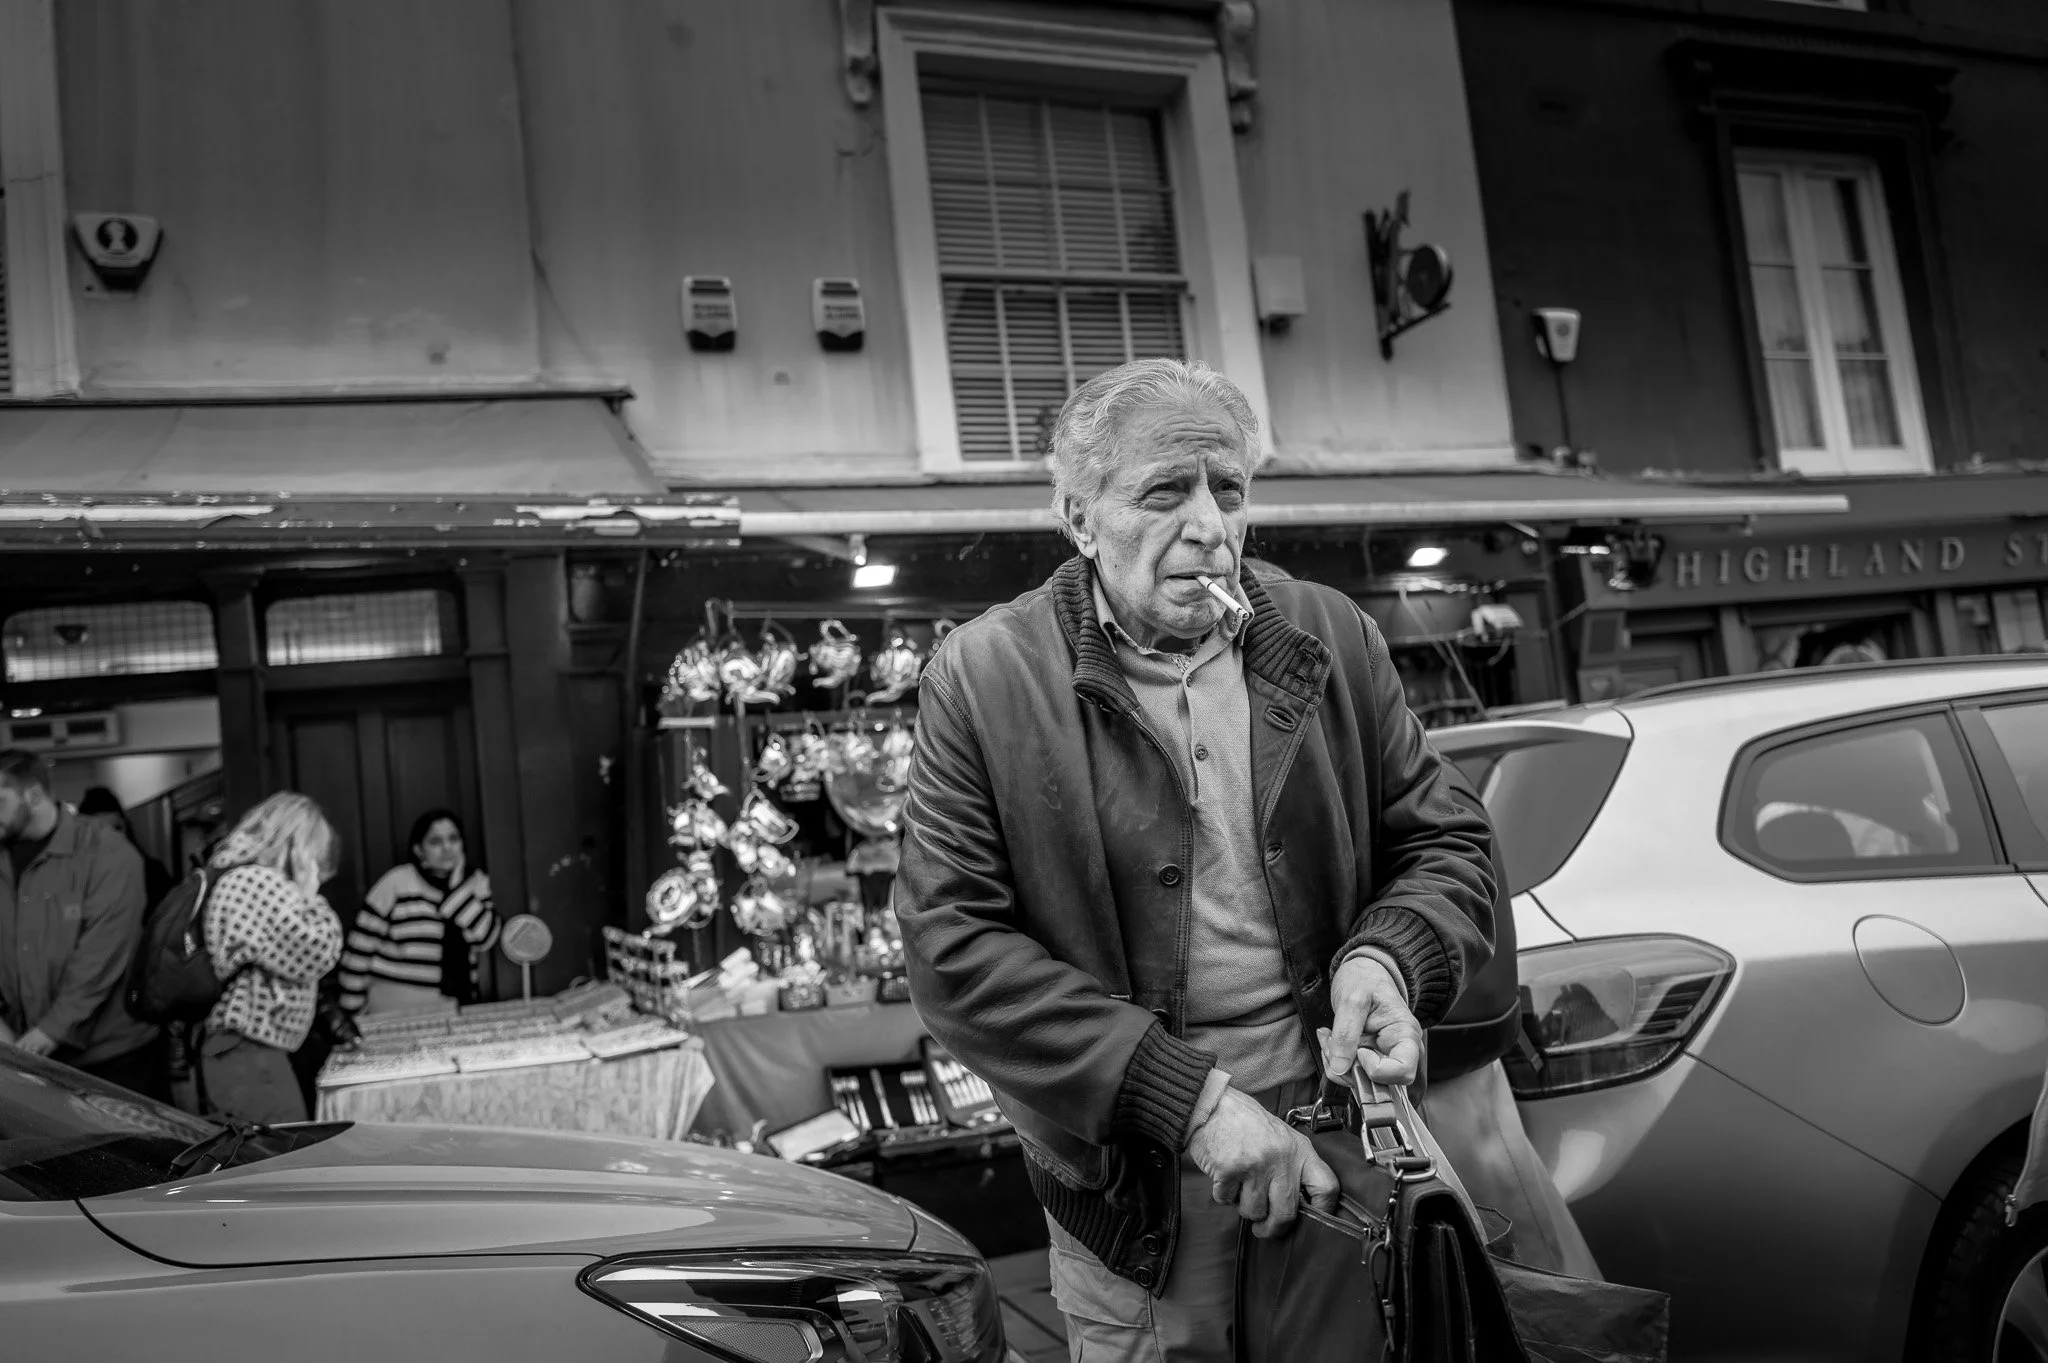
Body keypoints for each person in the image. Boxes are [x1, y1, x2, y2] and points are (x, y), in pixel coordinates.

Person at [896, 358, 1497, 1363]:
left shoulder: (1324, 632)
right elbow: (952, 950)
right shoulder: (984, 675)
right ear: (1079, 518)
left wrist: (1385, 957)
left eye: (1228, 488)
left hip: (1342, 1118)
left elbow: (1444, 839)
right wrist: (1196, 1104)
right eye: (1165, 491)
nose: (1211, 525)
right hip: (1131, 1169)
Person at [0, 752, 166, 1099]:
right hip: (28, 1053)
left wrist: (45, 1034)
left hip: (112, 1058)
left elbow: (102, 956)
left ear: (32, 795)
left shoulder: (107, 854)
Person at [198, 792, 344, 1124]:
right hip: (248, 1055)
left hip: (245, 1053)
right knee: (285, 1164)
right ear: (295, 842)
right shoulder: (255, 881)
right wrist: (310, 892)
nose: (316, 867)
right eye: (314, 853)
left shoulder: (241, 875)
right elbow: (320, 950)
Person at [337, 809, 498, 1016]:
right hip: (392, 1012)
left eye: (453, 839)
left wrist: (456, 888)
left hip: (453, 1011)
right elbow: (358, 951)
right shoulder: (396, 883)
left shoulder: (476, 884)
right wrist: (351, 1015)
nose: (447, 848)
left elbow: (485, 937)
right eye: (435, 842)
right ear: (419, 850)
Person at [76, 786, 176, 913]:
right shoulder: (76, 883)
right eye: (103, 832)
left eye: (117, 828)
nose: (114, 839)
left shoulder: (152, 873)